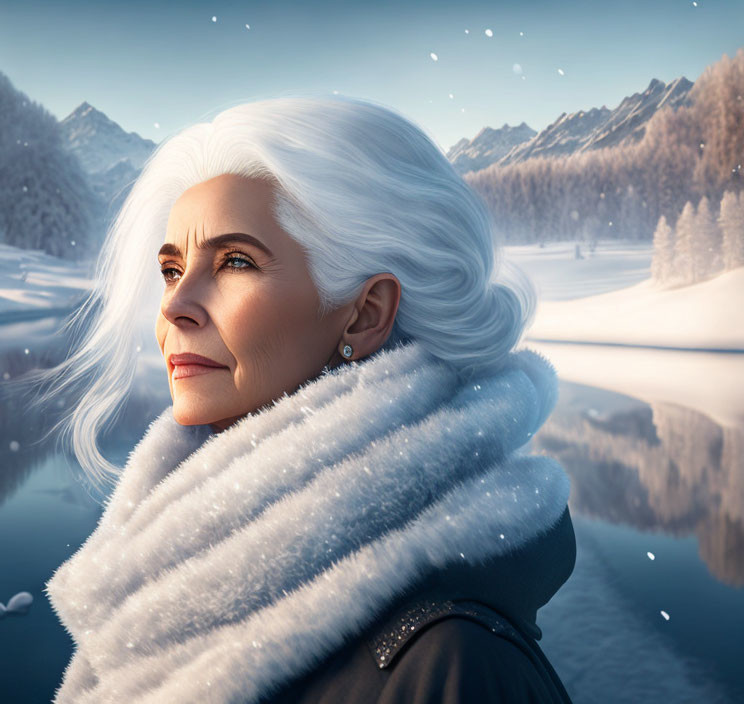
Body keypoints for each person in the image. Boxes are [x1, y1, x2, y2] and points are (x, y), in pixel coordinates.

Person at [32, 94, 576, 703]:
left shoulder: (453, 667)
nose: (174, 306)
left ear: (365, 314)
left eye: (235, 261)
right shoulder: (162, 590)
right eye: (171, 269)